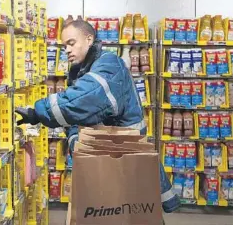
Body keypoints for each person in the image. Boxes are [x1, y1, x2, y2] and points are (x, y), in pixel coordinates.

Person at [15, 20, 180, 213]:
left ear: (89, 39)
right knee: (114, 211)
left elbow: (83, 100)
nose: (67, 50)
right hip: (111, 153)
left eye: (71, 43)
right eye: (64, 46)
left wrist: (37, 112)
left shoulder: (109, 65)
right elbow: (81, 113)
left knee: (133, 211)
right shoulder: (83, 70)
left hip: (125, 155)